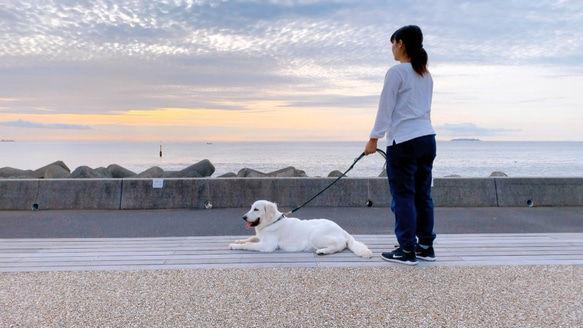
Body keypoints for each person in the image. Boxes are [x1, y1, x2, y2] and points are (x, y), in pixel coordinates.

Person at [364, 25, 436, 266]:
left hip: (404, 142)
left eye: (393, 44)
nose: (392, 49)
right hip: (427, 139)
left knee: (403, 196)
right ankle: (425, 246)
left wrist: (374, 138)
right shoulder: (426, 74)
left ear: (401, 43)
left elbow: (385, 109)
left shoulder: (396, 72)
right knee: (423, 195)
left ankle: (406, 250)